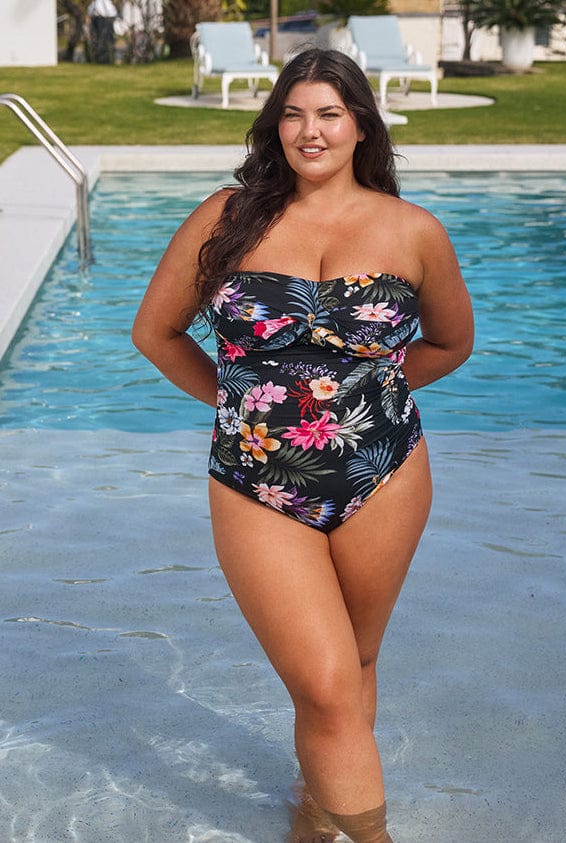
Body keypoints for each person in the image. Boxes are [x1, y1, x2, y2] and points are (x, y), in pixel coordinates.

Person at [132, 48, 473, 843]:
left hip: (384, 472)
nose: (309, 130)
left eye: (328, 113)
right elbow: (157, 333)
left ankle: (318, 816)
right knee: (323, 683)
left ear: (360, 124)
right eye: (292, 112)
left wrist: (368, 398)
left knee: (353, 665)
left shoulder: (412, 230)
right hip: (255, 478)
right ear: (274, 123)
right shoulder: (227, 215)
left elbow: (450, 343)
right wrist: (239, 401)